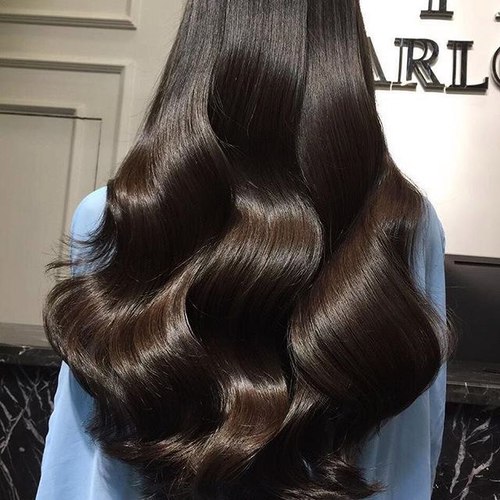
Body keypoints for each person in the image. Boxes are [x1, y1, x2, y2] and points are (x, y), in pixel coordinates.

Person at [37, 1, 455, 499]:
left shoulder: (119, 215)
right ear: (344, 46)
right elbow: (409, 455)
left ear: (200, 42)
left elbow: (80, 465)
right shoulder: (405, 226)